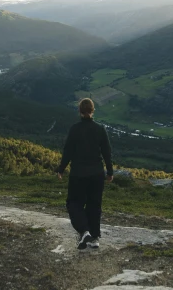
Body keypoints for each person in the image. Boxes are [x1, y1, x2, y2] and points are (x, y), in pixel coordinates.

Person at [56, 98, 113, 250]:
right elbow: (107, 152)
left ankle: (84, 231)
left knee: (74, 203)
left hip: (78, 174)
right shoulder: (100, 129)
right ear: (93, 110)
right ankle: (94, 239)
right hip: (96, 174)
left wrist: (61, 169)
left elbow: (68, 151)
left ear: (79, 111)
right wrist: (110, 172)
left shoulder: (75, 129)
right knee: (94, 205)